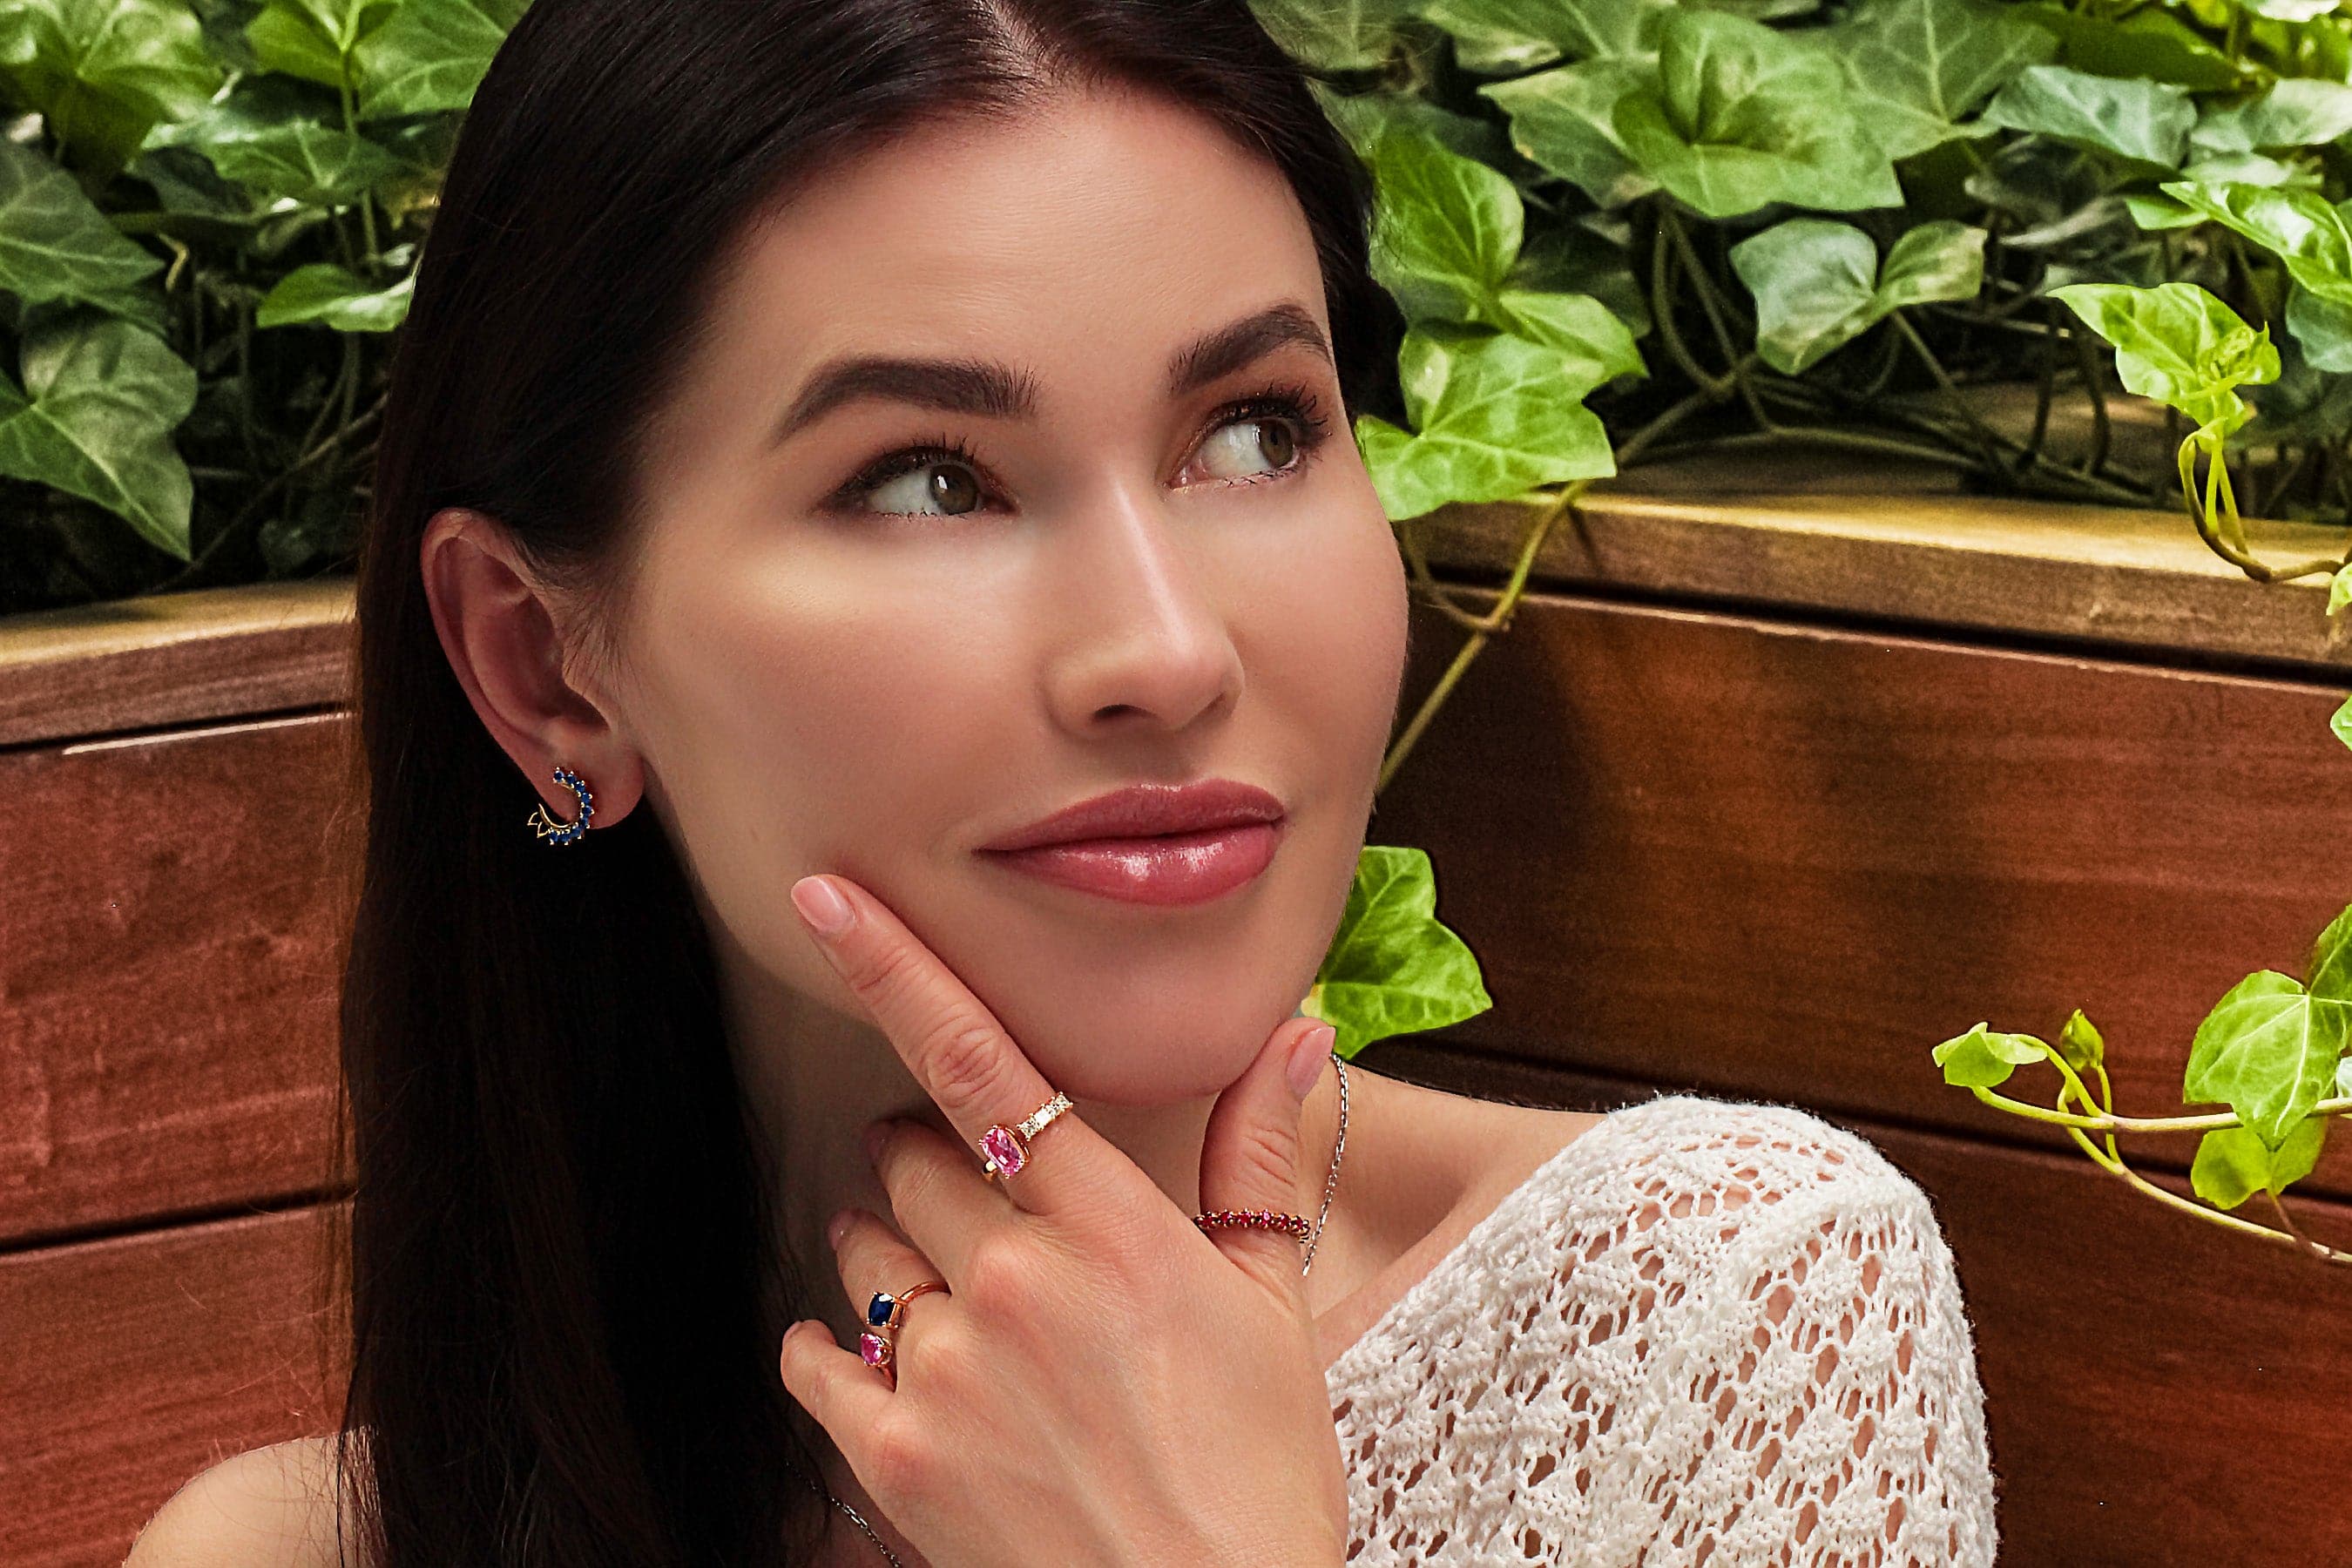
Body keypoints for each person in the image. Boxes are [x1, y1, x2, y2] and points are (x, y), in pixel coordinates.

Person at [125, 2, 2000, 1565]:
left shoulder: (1720, 1317)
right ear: (546, 666)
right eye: (930, 479)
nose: (1167, 652)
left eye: (1254, 433)